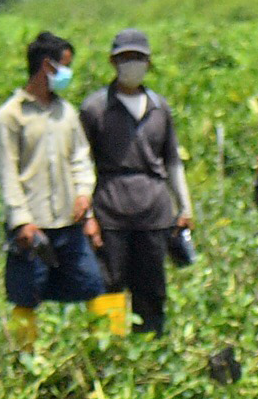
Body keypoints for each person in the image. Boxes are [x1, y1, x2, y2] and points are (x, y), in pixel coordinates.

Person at [77, 26, 192, 336]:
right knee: (108, 284)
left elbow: (172, 160)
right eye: (125, 57)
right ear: (113, 62)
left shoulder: (159, 107)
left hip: (154, 211)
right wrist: (86, 215)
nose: (132, 64)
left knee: (151, 288)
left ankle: (150, 349)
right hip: (109, 209)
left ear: (149, 62)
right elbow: (80, 163)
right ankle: (109, 353)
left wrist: (185, 207)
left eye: (138, 58)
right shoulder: (94, 108)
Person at [0, 29, 105, 332]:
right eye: (65, 66)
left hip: (69, 221)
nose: (68, 74)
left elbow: (80, 158)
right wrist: (21, 221)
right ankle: (22, 362)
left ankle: (108, 355)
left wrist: (84, 196)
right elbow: (7, 174)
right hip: (33, 226)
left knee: (92, 283)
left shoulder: (66, 112)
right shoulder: (10, 116)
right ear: (46, 66)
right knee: (26, 296)